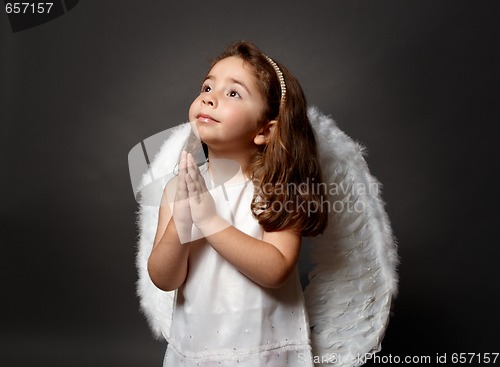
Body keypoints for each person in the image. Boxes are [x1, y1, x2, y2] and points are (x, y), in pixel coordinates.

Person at [147, 41, 329, 366]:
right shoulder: (179, 187)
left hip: (263, 347)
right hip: (199, 345)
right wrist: (182, 222)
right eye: (207, 86)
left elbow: (276, 269)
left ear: (265, 130)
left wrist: (209, 220)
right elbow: (164, 278)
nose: (209, 97)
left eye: (233, 93)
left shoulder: (276, 189)